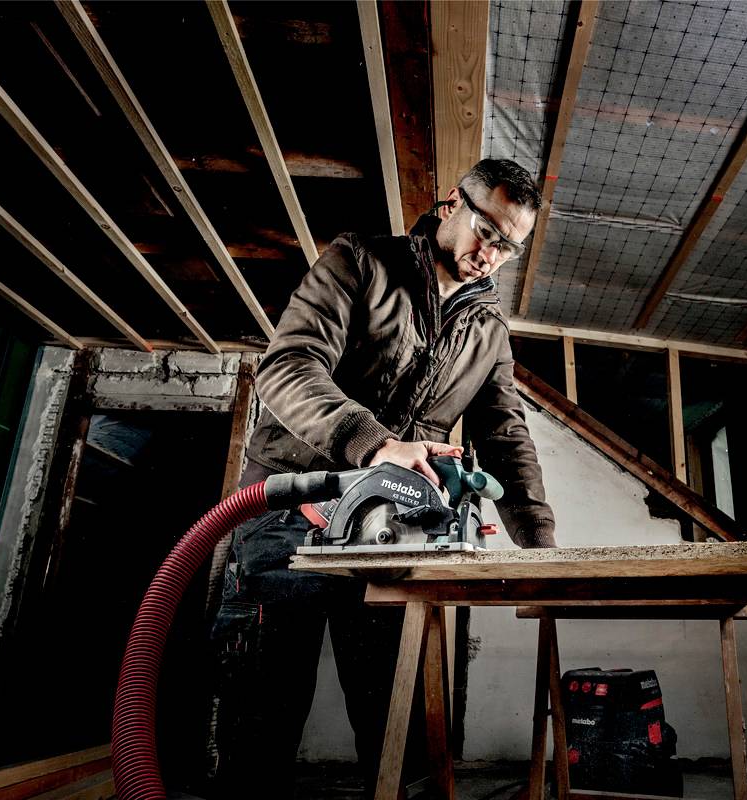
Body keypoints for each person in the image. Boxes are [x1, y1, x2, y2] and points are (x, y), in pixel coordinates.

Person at [209, 158, 556, 799]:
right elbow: (287, 368)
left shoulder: (489, 332)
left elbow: (508, 440)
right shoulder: (361, 262)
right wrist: (374, 445)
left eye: (509, 246)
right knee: (261, 713)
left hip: (391, 534)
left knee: (401, 721)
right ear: (452, 203)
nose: (492, 254)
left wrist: (542, 551)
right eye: (487, 230)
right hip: (290, 511)